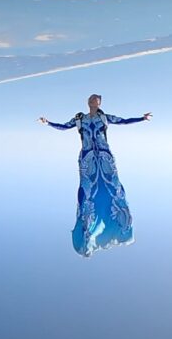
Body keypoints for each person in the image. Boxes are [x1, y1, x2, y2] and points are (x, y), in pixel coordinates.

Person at [39, 94, 152, 258]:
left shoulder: (105, 117)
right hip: (88, 158)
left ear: (99, 103)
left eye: (97, 100)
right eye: (92, 99)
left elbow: (123, 121)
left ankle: (118, 224)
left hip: (105, 156)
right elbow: (63, 126)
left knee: (113, 187)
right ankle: (88, 227)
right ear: (88, 102)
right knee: (88, 191)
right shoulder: (79, 119)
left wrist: (142, 118)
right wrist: (48, 122)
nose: (94, 101)